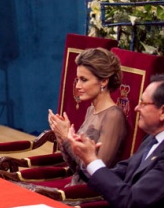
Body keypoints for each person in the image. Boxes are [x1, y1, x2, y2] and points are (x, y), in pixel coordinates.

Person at [67, 74, 164, 208]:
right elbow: (123, 172)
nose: (136, 108)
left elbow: (131, 202)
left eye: (143, 103)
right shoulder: (154, 137)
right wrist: (87, 159)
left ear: (163, 111)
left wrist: (92, 160)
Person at [47, 47, 128, 186]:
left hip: (91, 198)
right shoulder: (91, 110)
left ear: (103, 81)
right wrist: (62, 138)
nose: (77, 86)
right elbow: (77, 169)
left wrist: (67, 138)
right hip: (75, 188)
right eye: (77, 79)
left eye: (84, 80)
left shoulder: (114, 116)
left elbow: (98, 172)